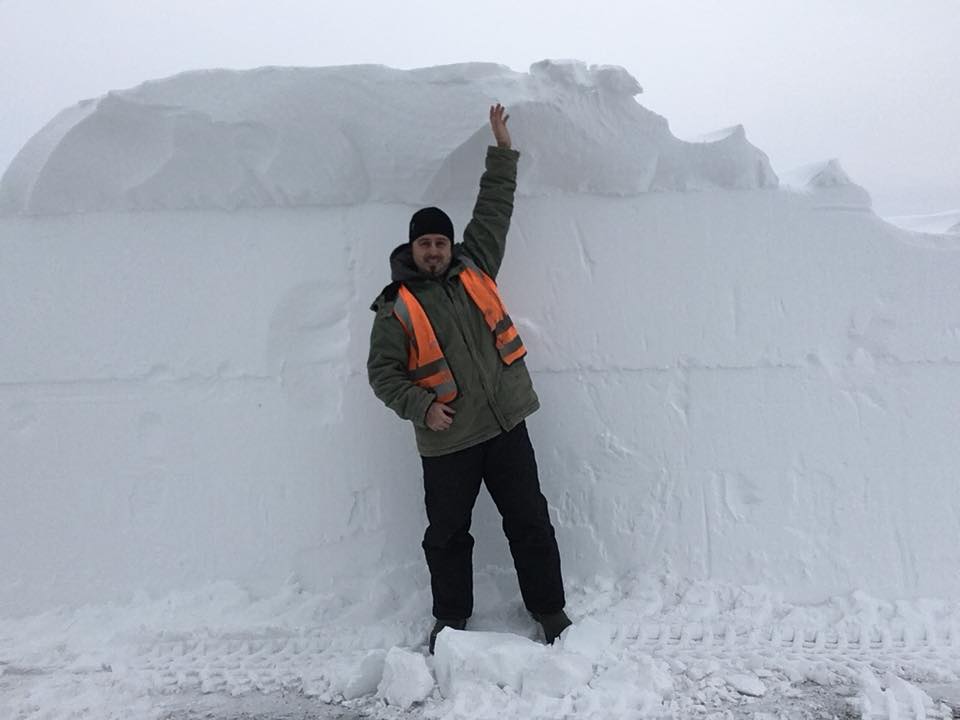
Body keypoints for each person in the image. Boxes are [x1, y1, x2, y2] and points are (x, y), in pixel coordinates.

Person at [367, 104, 570, 653]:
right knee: (448, 536)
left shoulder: (475, 264)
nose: (433, 250)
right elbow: (382, 375)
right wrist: (422, 407)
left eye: (439, 242)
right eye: (424, 244)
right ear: (411, 250)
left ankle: (550, 612)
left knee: (530, 521)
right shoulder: (395, 307)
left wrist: (502, 149)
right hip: (448, 438)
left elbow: (493, 210)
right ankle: (451, 621)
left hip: (505, 425)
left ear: (450, 245)